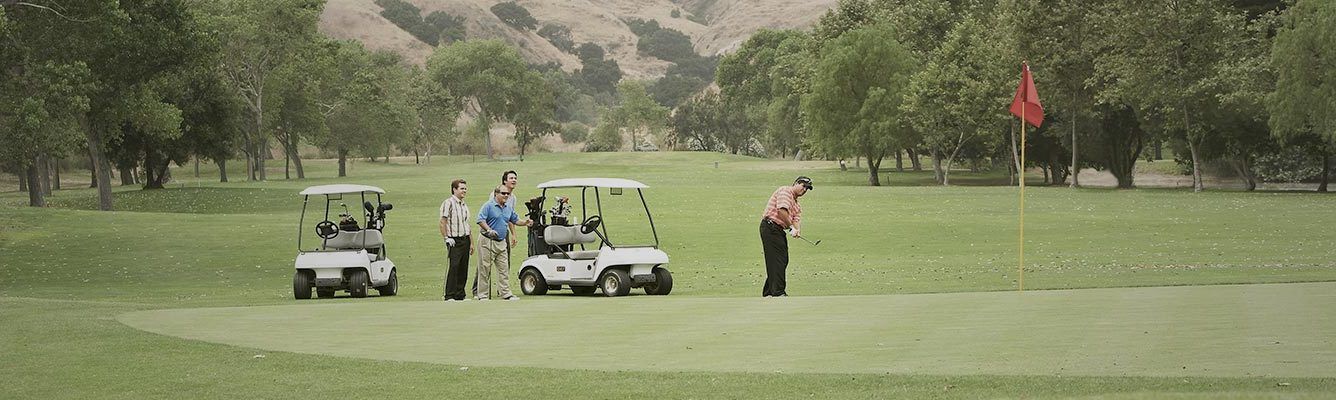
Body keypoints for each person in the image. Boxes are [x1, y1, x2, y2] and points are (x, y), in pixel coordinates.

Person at [475, 185, 533, 301]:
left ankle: (505, 293)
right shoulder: (489, 205)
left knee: (504, 268)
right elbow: (480, 219)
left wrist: (526, 222)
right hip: (487, 241)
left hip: (501, 242)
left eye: (507, 194)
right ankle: (482, 295)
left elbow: (515, 220)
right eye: (503, 193)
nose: (506, 195)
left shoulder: (508, 208)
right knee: (485, 268)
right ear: (496, 194)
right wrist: (489, 230)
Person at [759, 176, 813, 297]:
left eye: (807, 189)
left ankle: (769, 291)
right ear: (796, 183)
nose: (804, 190)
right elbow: (781, 211)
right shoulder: (785, 191)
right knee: (777, 260)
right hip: (770, 226)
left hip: (777, 230)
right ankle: (778, 292)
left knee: (781, 260)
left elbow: (796, 219)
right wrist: (791, 227)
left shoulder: (797, 205)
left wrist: (797, 230)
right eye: (803, 186)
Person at [439, 179, 474, 301]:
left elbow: (467, 225)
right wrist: (446, 238)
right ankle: (449, 294)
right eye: (462, 188)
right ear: (454, 189)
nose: (464, 190)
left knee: (463, 267)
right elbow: (443, 222)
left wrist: (471, 243)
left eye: (465, 188)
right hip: (454, 240)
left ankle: (460, 294)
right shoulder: (448, 203)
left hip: (465, 239)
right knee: (454, 266)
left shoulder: (464, 205)